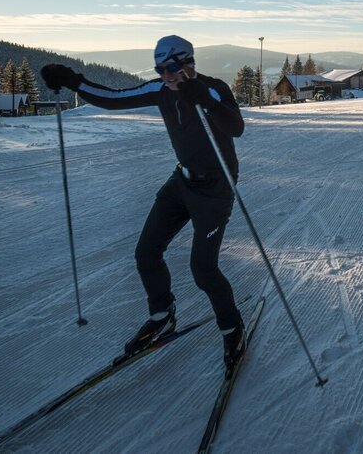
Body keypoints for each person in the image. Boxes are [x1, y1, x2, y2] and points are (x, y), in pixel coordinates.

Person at [41, 35, 247, 369]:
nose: (164, 75)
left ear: (186, 62)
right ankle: (162, 315)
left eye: (169, 68)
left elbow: (235, 127)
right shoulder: (160, 90)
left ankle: (233, 327)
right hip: (182, 181)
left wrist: (205, 102)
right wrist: (73, 80)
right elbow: (113, 98)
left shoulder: (213, 89)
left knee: (203, 269)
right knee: (146, 252)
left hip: (216, 188)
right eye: (159, 68)